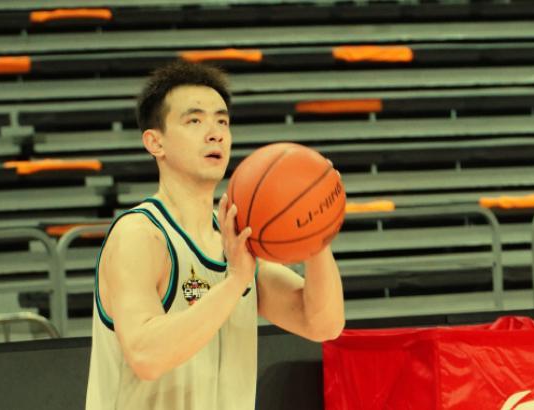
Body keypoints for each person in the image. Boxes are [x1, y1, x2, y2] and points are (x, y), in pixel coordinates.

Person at [85, 61, 345, 409]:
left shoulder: (235, 238)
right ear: (155, 142)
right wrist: (235, 281)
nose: (215, 133)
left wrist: (316, 233)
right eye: (194, 121)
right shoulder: (140, 235)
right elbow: (146, 356)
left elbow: (323, 324)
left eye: (222, 121)